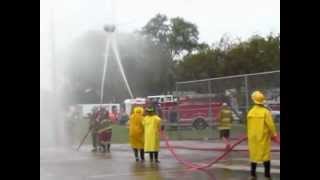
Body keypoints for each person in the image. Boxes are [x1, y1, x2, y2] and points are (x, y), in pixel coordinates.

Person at [247, 91, 279, 180]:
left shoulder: (250, 112)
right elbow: (271, 125)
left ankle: (252, 174)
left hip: (253, 138)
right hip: (263, 137)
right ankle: (267, 175)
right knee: (265, 156)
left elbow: (249, 126)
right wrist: (274, 135)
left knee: (253, 156)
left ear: (254, 100)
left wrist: (249, 135)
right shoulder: (266, 112)